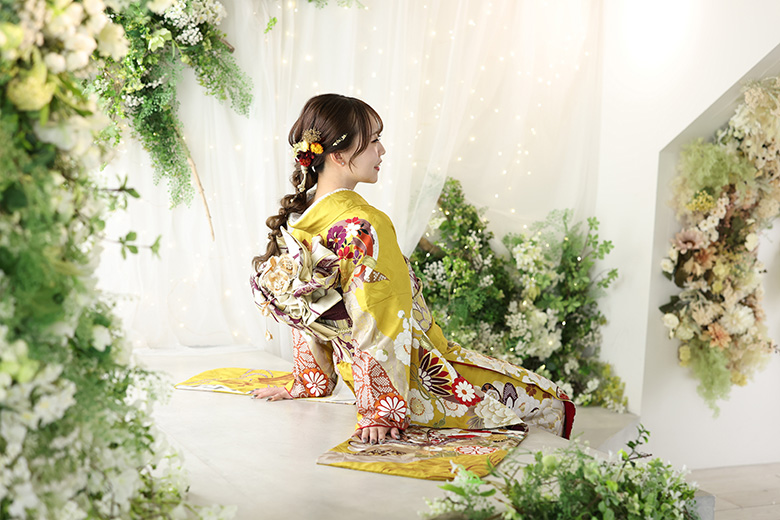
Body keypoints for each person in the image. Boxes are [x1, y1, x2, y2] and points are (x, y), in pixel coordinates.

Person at [250, 94, 575, 445]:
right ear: (339, 156)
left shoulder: (301, 227)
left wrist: (309, 381)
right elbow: (381, 321)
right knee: (553, 402)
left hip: (360, 380)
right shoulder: (364, 226)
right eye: (373, 140)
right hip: (423, 377)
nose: (382, 150)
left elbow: (307, 317)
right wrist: (382, 409)